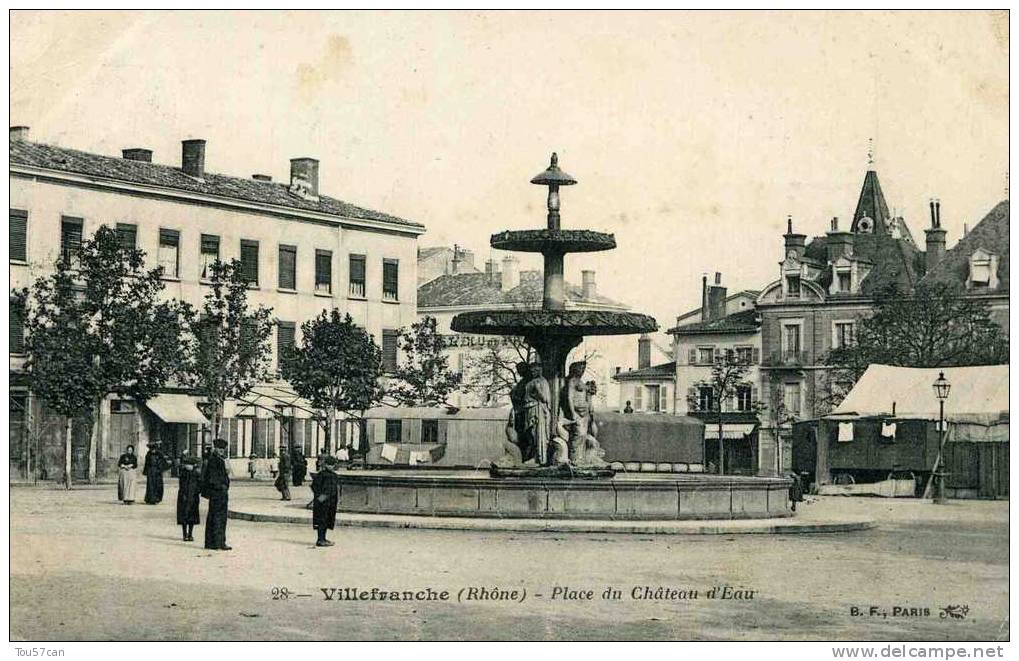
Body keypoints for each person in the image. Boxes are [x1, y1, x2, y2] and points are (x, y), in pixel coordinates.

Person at [201, 438, 231, 551]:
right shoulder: (214, 460)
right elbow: (212, 478)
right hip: (217, 493)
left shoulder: (218, 459)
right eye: (219, 449)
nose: (221, 451)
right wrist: (222, 487)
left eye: (223, 449)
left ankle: (213, 542)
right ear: (215, 448)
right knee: (218, 517)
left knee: (216, 517)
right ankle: (218, 543)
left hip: (219, 493)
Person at [523, 362, 552, 465]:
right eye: (532, 371)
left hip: (538, 409)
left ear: (540, 370)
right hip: (529, 409)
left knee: (537, 434)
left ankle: (539, 458)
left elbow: (545, 398)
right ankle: (534, 456)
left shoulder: (542, 382)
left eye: (536, 370)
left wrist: (538, 390)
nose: (533, 372)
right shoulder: (531, 382)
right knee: (531, 434)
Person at [311, 455, 340, 547]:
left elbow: (335, 489)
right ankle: (320, 540)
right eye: (329, 464)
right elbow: (314, 486)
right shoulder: (321, 475)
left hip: (331, 502)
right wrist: (321, 497)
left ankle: (323, 538)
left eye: (332, 465)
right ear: (325, 464)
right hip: (322, 502)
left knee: (327, 520)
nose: (331, 466)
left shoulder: (334, 475)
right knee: (321, 520)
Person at [508, 361, 533, 461]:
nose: (518, 372)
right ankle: (524, 457)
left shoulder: (528, 381)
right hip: (520, 412)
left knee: (526, 436)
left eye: (520, 370)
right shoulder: (523, 381)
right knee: (522, 437)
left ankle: (527, 457)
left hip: (524, 412)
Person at [176, 453, 201, 541]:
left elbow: (199, 485)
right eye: (186, 464)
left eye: (189, 465)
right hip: (184, 497)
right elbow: (181, 485)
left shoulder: (196, 474)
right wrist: (183, 495)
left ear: (193, 465)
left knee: (192, 516)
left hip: (193, 497)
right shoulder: (183, 474)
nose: (188, 466)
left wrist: (197, 493)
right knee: (184, 516)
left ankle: (190, 534)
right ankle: (184, 534)